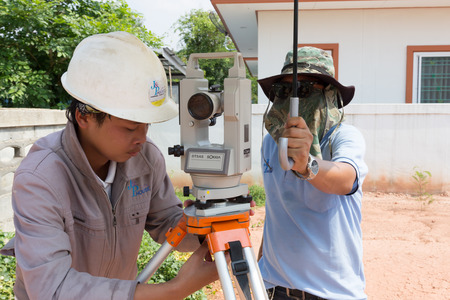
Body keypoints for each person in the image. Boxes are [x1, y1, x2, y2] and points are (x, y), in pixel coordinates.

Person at [0, 31, 220, 300]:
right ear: (84, 116)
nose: (141, 137)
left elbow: (167, 223)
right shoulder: (41, 177)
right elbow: (51, 289)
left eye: (146, 124)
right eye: (130, 127)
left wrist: (204, 226)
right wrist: (175, 290)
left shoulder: (146, 159)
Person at [257, 46, 369, 300]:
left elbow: (344, 179)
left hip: (331, 293)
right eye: (283, 91)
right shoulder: (271, 143)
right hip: (275, 288)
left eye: (304, 90)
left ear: (329, 95)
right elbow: (277, 207)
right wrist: (261, 266)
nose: (291, 102)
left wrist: (307, 164)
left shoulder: (343, 138)